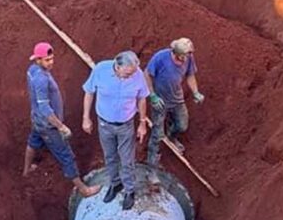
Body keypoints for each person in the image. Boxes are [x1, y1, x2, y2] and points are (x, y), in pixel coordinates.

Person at [24, 42, 100, 198]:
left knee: (33, 141)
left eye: (52, 58)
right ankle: (84, 190)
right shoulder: (41, 79)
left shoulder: (32, 70)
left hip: (36, 118)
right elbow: (45, 108)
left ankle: (26, 170)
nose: (51, 62)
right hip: (48, 125)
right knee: (65, 154)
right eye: (47, 60)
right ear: (38, 59)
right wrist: (61, 127)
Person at [82, 50, 149, 211]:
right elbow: (89, 92)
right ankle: (115, 183)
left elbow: (142, 98)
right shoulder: (100, 70)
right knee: (110, 156)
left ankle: (129, 190)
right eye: (127, 73)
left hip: (126, 125)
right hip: (104, 124)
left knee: (127, 160)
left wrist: (142, 123)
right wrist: (86, 117)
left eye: (132, 73)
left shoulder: (137, 74)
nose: (130, 76)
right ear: (117, 66)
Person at [145, 37, 204, 170]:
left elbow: (190, 75)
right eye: (184, 55)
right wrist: (153, 96)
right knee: (157, 135)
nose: (187, 58)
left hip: (177, 99)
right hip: (160, 101)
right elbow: (147, 74)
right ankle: (152, 164)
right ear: (176, 53)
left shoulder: (188, 58)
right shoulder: (160, 57)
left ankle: (171, 136)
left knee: (182, 125)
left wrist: (195, 92)